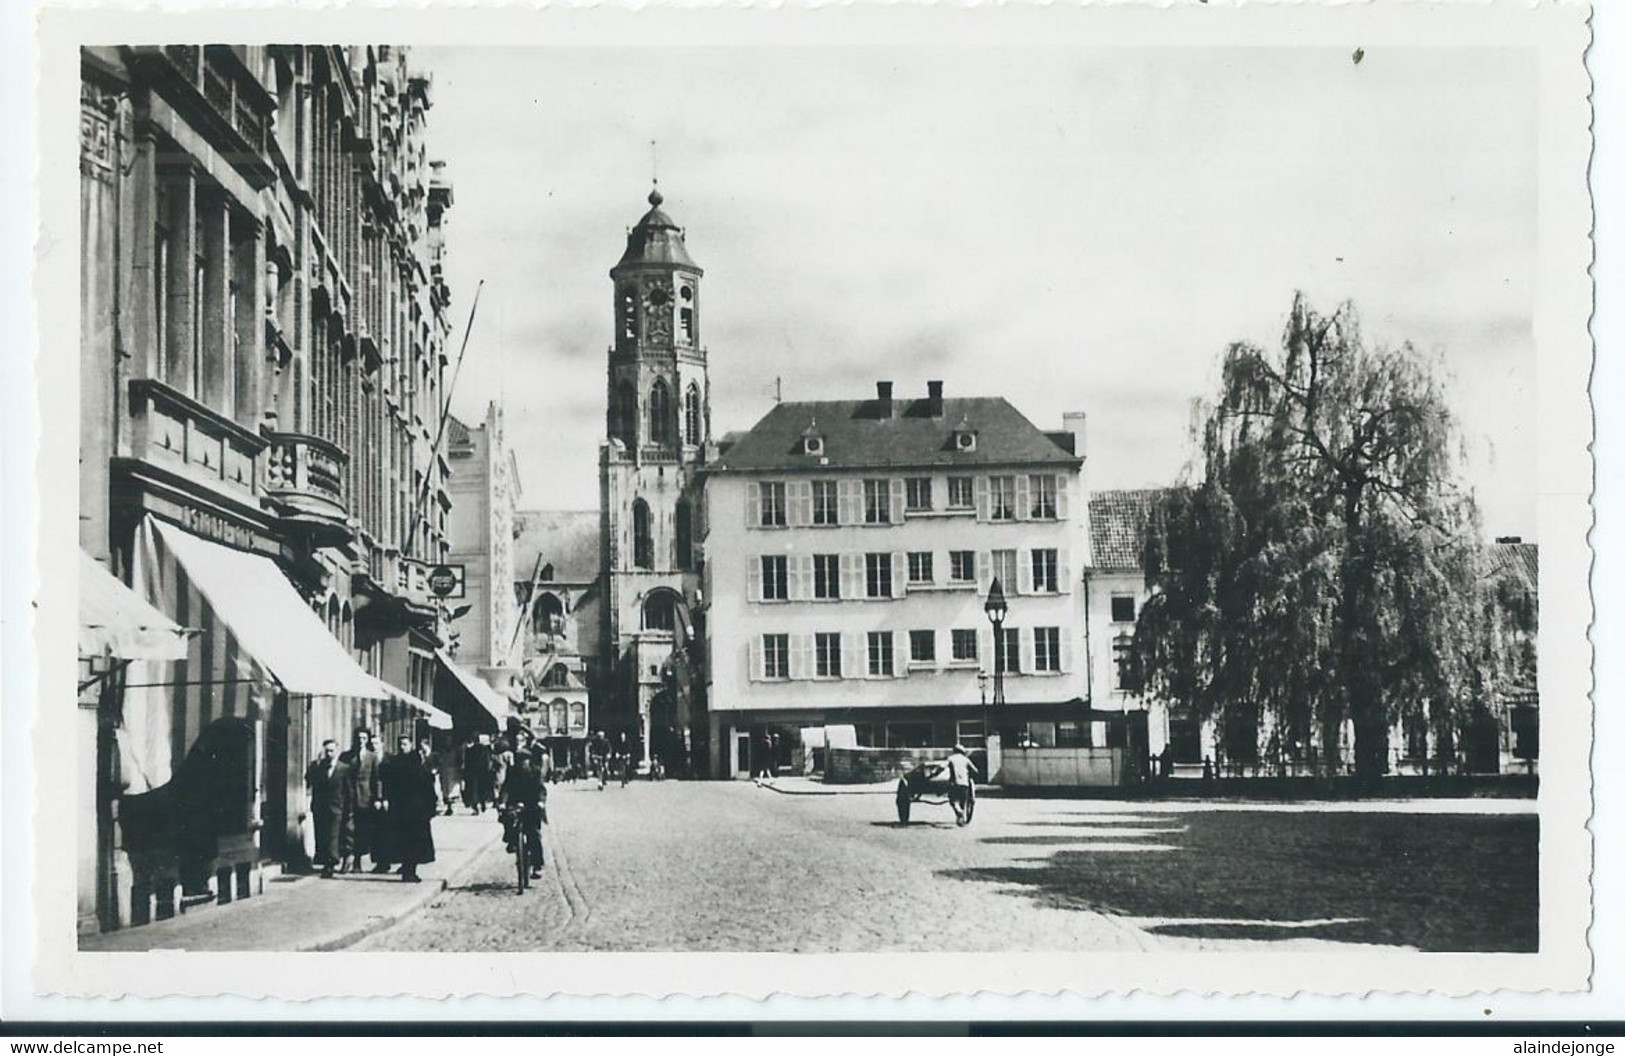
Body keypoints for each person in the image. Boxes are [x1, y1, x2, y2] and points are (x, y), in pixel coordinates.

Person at [379, 734, 437, 882]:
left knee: (414, 841)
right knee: (404, 840)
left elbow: (427, 785)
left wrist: (430, 807)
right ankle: (407, 869)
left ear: (410, 745)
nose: (402, 747)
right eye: (400, 744)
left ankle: (410, 869)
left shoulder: (416, 761)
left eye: (405, 744)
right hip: (401, 809)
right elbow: (389, 783)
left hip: (416, 810)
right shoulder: (395, 762)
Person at [304, 739, 352, 877]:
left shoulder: (344, 768)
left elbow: (349, 791)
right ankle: (326, 861)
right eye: (327, 751)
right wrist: (315, 764)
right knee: (323, 836)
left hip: (337, 808)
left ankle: (330, 864)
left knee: (333, 836)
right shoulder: (319, 767)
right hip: (320, 807)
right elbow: (309, 780)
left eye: (332, 751)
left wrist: (348, 810)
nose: (329, 754)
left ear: (337, 751)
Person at [341, 728, 384, 873]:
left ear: (367, 740)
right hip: (348, 797)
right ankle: (347, 858)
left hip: (366, 798)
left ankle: (357, 862)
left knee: (361, 830)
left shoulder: (372, 757)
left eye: (364, 738)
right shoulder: (346, 756)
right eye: (359, 738)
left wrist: (378, 797)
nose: (361, 741)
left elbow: (376, 779)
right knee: (347, 828)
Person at [502, 747, 548, 880]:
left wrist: (541, 802)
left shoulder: (535, 772)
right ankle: (511, 841)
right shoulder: (512, 772)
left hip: (532, 804)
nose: (522, 764)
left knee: (534, 834)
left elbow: (541, 790)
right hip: (516, 801)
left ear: (529, 761)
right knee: (507, 817)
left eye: (525, 761)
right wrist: (502, 803)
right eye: (520, 761)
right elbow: (506, 788)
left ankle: (537, 866)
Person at [944, 743, 979, 826]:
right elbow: (975, 770)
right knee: (962, 803)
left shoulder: (950, 759)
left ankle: (958, 812)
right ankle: (961, 817)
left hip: (954, 783)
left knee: (953, 801)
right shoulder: (966, 759)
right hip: (965, 784)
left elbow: (943, 767)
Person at [463, 733, 494, 814]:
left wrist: (466, 772)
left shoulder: (470, 750)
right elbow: (488, 761)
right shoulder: (486, 749)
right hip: (483, 772)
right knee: (482, 788)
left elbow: (467, 762)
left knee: (473, 790)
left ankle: (475, 807)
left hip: (473, 772)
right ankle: (483, 803)